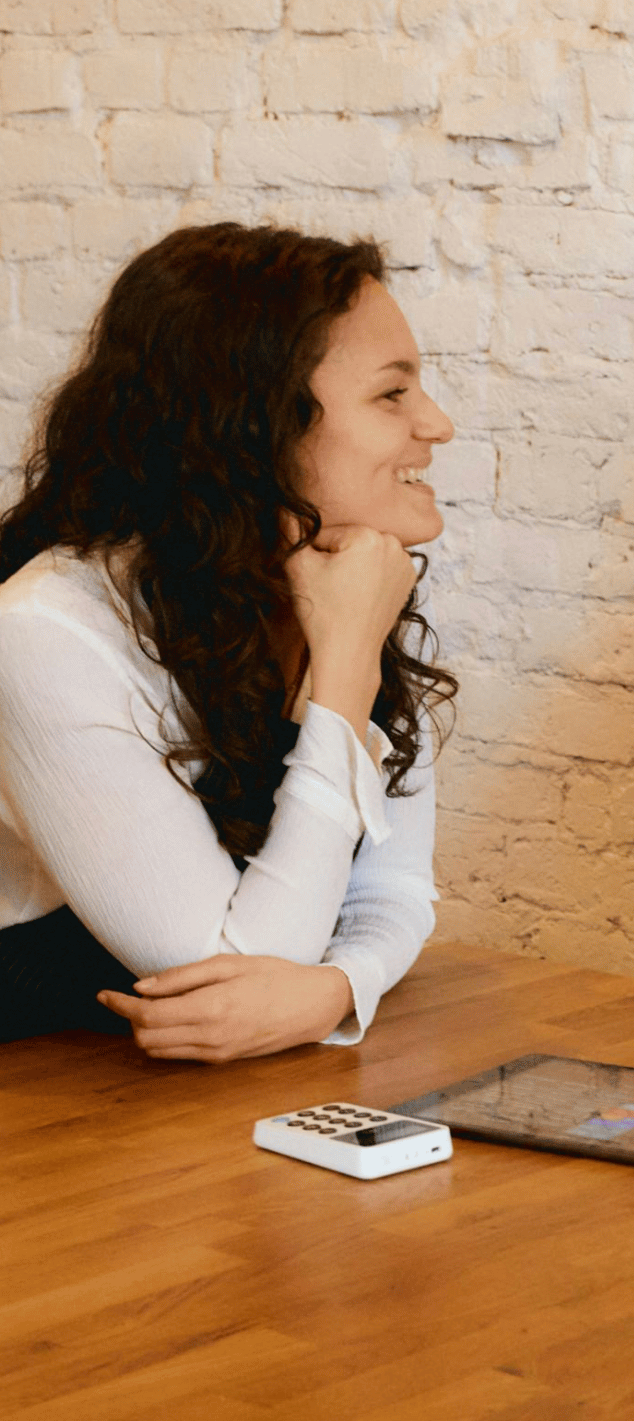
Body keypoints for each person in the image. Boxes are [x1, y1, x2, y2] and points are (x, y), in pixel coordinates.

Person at [0, 221, 454, 1059]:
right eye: (392, 394)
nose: (438, 424)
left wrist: (338, 986)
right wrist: (344, 671)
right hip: (35, 1085)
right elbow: (228, 968)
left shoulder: (344, 576)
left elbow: (394, 891)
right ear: (255, 426)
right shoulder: (44, 632)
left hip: (167, 1082)